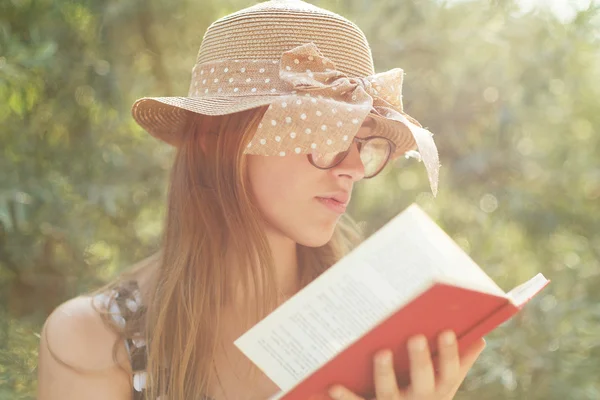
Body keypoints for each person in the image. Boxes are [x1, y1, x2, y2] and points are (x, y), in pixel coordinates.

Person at [36, 1, 486, 399]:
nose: (351, 167)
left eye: (364, 143)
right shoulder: (93, 341)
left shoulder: (377, 331)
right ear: (216, 140)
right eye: (326, 133)